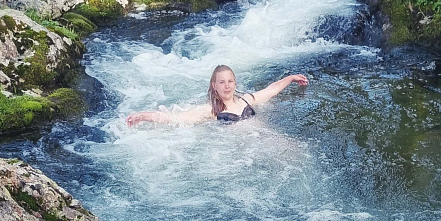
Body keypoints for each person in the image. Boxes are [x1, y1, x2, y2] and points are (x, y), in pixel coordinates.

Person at [125, 64, 309, 127]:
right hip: (244, 150)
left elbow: (271, 90)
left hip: (263, 136)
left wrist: (291, 78)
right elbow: (176, 118)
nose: (227, 86)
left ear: (235, 83)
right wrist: (143, 116)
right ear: (214, 86)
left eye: (230, 81)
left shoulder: (246, 99)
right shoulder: (211, 110)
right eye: (222, 82)